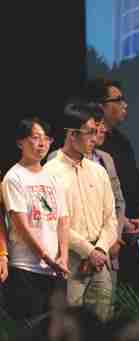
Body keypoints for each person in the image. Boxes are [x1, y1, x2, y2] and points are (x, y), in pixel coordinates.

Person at [44, 105, 117, 320]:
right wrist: (88, 252)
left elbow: (110, 219)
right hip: (70, 262)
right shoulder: (50, 172)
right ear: (72, 134)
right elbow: (55, 222)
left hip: (101, 262)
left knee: (103, 327)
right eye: (90, 132)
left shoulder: (99, 170)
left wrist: (100, 250)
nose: (95, 138)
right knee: (71, 326)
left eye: (97, 132)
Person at [83, 79, 139, 294]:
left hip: (129, 238)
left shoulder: (122, 141)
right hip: (102, 241)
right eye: (118, 100)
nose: (125, 104)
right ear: (100, 106)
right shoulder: (85, 150)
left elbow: (136, 185)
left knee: (131, 300)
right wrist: (118, 227)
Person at [1, 117, 69, 324]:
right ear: (20, 142)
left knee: (57, 329)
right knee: (30, 328)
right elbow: (20, 225)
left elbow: (63, 220)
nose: (42, 144)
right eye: (35, 138)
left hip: (55, 270)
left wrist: (63, 256)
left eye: (46, 139)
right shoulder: (14, 177)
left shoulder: (53, 177)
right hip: (26, 268)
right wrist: (46, 257)